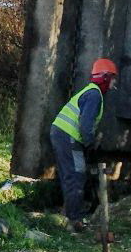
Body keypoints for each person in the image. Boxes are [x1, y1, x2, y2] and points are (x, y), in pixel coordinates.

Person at [49, 58, 117, 232]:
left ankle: (68, 214)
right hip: (68, 136)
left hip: (64, 135)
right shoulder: (95, 95)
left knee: (71, 175)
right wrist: (90, 144)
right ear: (105, 77)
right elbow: (85, 124)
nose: (114, 83)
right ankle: (74, 221)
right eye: (113, 79)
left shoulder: (91, 92)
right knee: (76, 176)